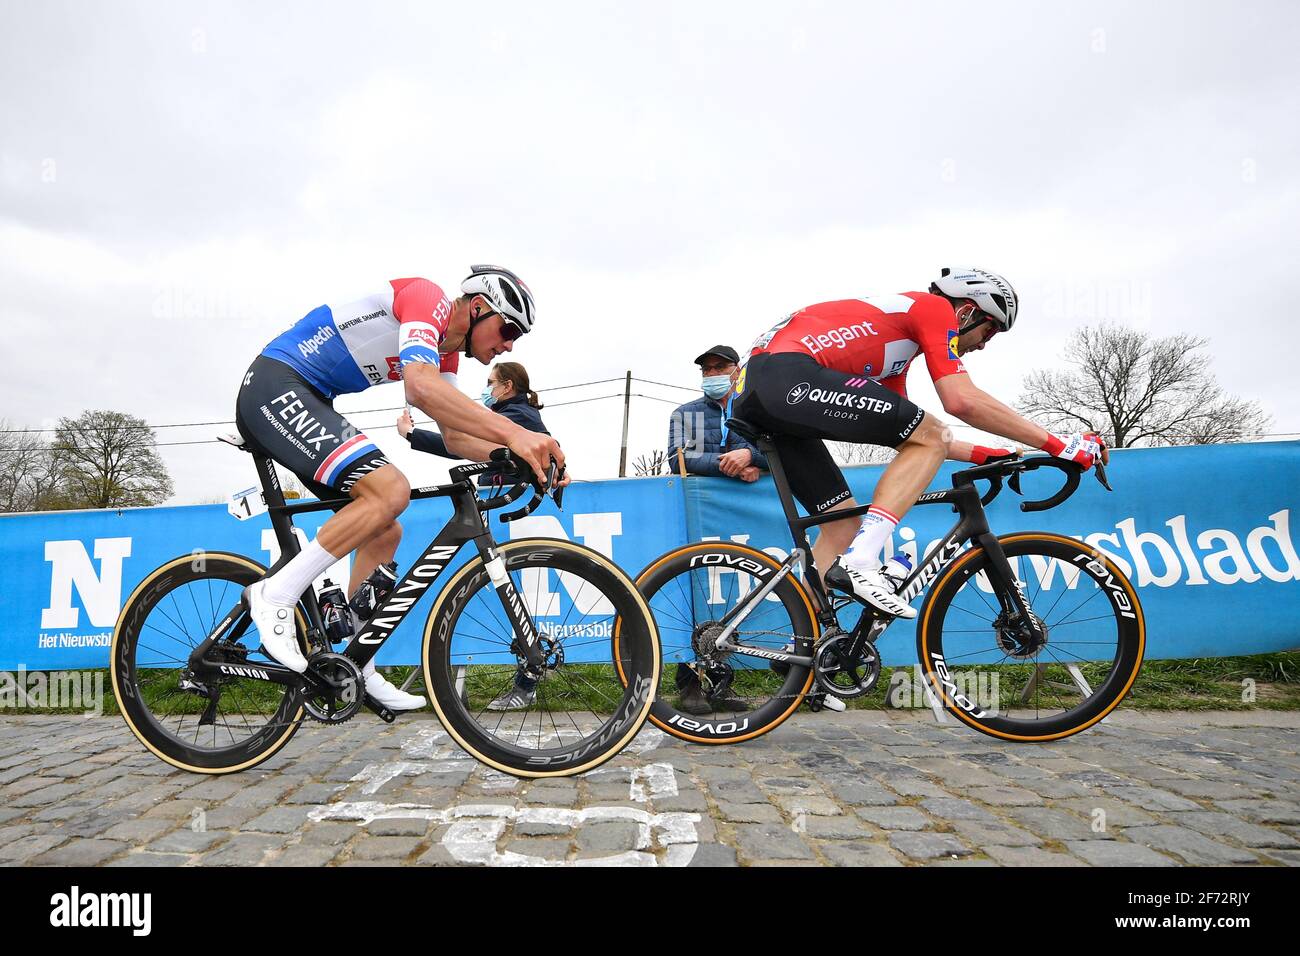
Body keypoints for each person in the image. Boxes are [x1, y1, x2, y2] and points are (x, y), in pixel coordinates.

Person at [234, 265, 563, 712]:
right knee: (391, 490)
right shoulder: (428, 300)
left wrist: (521, 457)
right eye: (507, 330)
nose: (507, 345)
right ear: (480, 307)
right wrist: (514, 433)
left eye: (515, 340)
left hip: (310, 396)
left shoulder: (444, 356)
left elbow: (455, 439)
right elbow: (420, 389)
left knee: (385, 530)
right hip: (277, 386)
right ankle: (274, 595)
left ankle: (354, 660)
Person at [728, 267, 1107, 618]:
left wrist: (994, 453)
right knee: (928, 437)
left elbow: (909, 435)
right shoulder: (932, 308)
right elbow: (959, 401)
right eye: (988, 332)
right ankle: (860, 564)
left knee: (842, 526)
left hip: (763, 392)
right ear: (966, 313)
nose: (983, 345)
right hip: (786, 376)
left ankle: (811, 654)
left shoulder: (894, 349)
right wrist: (1062, 445)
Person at [397, 361, 553, 712]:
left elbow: (466, 445)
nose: (486, 390)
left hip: (507, 514)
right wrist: (413, 436)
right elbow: (461, 443)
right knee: (482, 598)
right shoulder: (508, 413)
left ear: (507, 386)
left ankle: (526, 682)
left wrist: (415, 435)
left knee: (515, 605)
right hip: (491, 513)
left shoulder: (518, 416)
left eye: (490, 383)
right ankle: (451, 677)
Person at [667, 345, 767, 481]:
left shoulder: (759, 409)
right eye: (706, 369)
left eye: (720, 367)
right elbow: (678, 459)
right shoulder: (686, 414)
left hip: (757, 499)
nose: (712, 373)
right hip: (706, 499)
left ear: (737, 371)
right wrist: (733, 466)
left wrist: (750, 455)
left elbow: (784, 452)